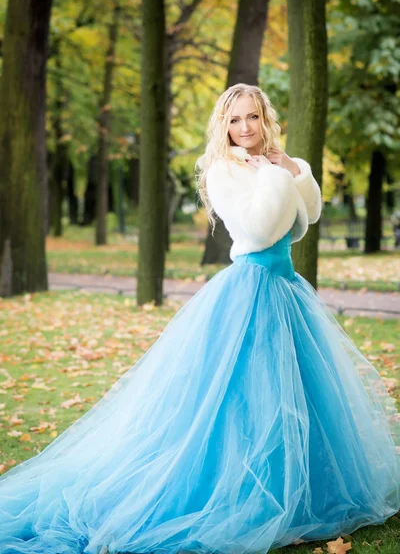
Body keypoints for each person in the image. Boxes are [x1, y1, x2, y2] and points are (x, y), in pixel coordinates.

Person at [0, 83, 399, 554]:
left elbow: (304, 218)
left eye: (252, 117)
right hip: (248, 290)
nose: (245, 128)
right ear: (223, 126)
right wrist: (272, 176)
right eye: (235, 120)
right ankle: (240, 490)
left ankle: (300, 492)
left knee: (297, 394)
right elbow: (258, 227)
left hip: (285, 289)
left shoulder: (272, 164)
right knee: (243, 399)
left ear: (265, 119)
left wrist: (292, 169)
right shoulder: (223, 171)